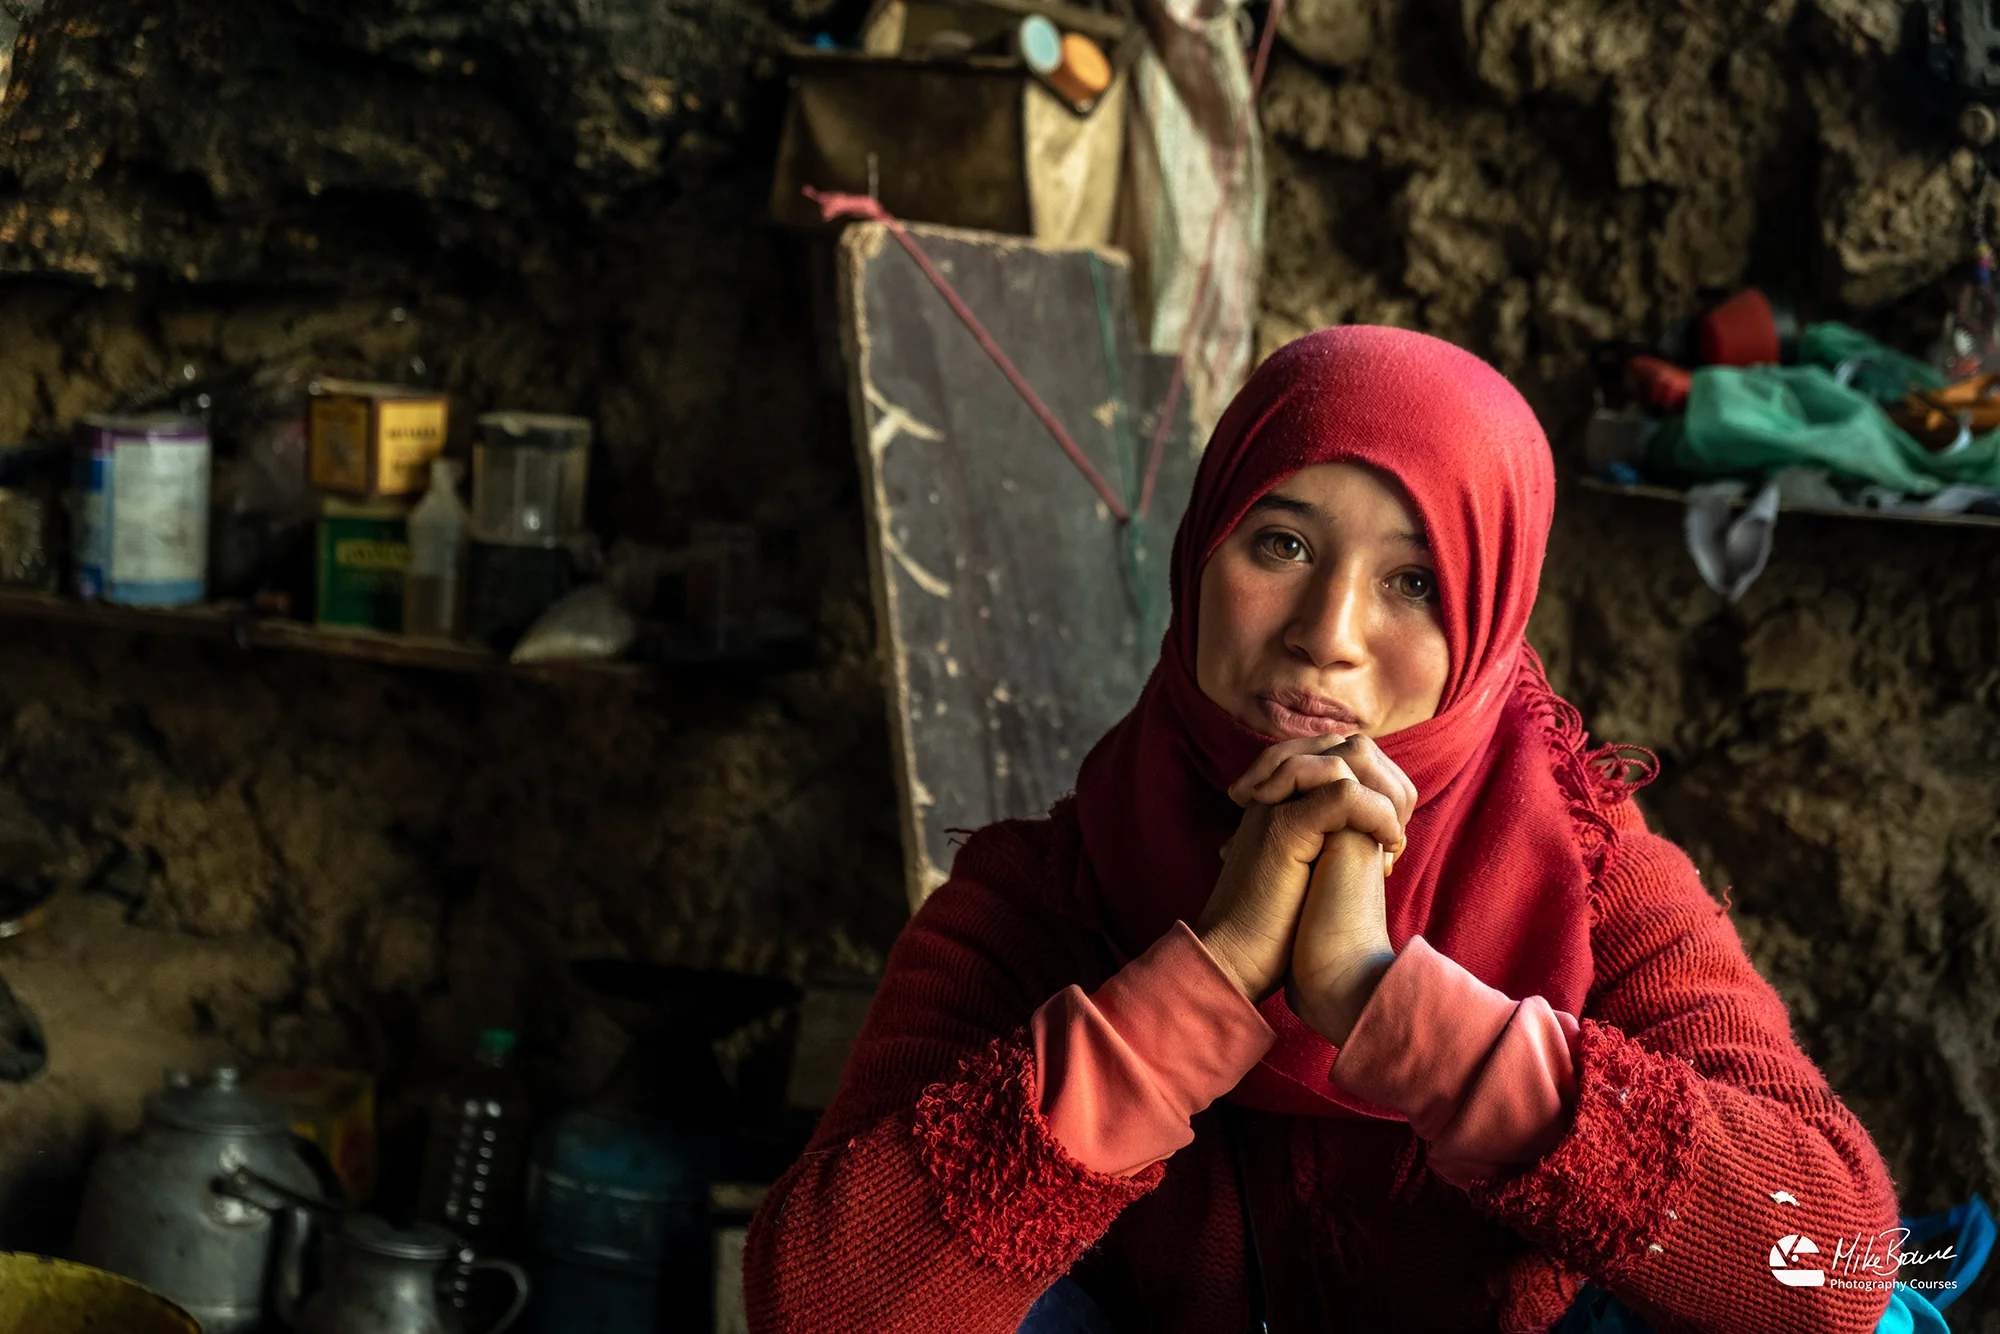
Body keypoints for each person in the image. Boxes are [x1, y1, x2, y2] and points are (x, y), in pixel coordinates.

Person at [744, 326, 1901, 1332]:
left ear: (1489, 626)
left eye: (1415, 585)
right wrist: (1212, 970)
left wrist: (1382, 997)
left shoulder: (1591, 879)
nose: (1326, 633)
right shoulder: (1039, 894)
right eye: (1281, 544)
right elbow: (818, 1306)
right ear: (1199, 554)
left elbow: (1835, 1268)